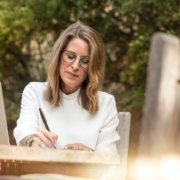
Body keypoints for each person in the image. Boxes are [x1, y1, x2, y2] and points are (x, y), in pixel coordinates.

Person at [13, 23, 120, 154]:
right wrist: (32, 141)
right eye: (70, 56)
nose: (75, 66)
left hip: (83, 174)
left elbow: (109, 158)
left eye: (85, 61)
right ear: (58, 55)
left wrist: (89, 154)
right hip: (40, 173)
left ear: (93, 67)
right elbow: (25, 130)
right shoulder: (34, 92)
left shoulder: (106, 103)